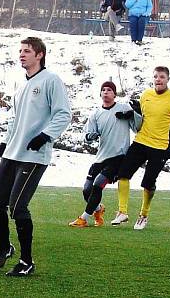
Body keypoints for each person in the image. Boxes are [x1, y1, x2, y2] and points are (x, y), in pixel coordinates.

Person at [0, 37, 71, 277]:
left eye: (27, 51)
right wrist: (6, 141)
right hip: (13, 153)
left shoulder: (51, 80)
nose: (21, 54)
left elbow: (64, 114)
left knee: (18, 207)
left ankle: (27, 261)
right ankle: (5, 247)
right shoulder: (21, 85)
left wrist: (45, 136)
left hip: (34, 156)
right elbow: (14, 119)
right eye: (20, 51)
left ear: (40, 54)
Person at [111, 66, 170, 230]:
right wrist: (130, 114)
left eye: (162, 77)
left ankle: (143, 215)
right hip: (141, 142)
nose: (158, 79)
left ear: (168, 79)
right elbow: (140, 116)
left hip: (160, 147)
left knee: (148, 183)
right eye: (156, 77)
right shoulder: (146, 95)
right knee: (123, 174)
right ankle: (122, 212)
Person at [68, 81, 141, 228]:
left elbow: (138, 127)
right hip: (100, 157)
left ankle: (83, 218)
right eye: (103, 90)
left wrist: (136, 113)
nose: (106, 92)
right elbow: (87, 135)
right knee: (86, 190)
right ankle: (98, 209)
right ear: (100, 94)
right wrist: (90, 136)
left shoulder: (124, 108)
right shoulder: (96, 114)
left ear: (114, 94)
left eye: (109, 90)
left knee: (97, 184)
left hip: (118, 157)